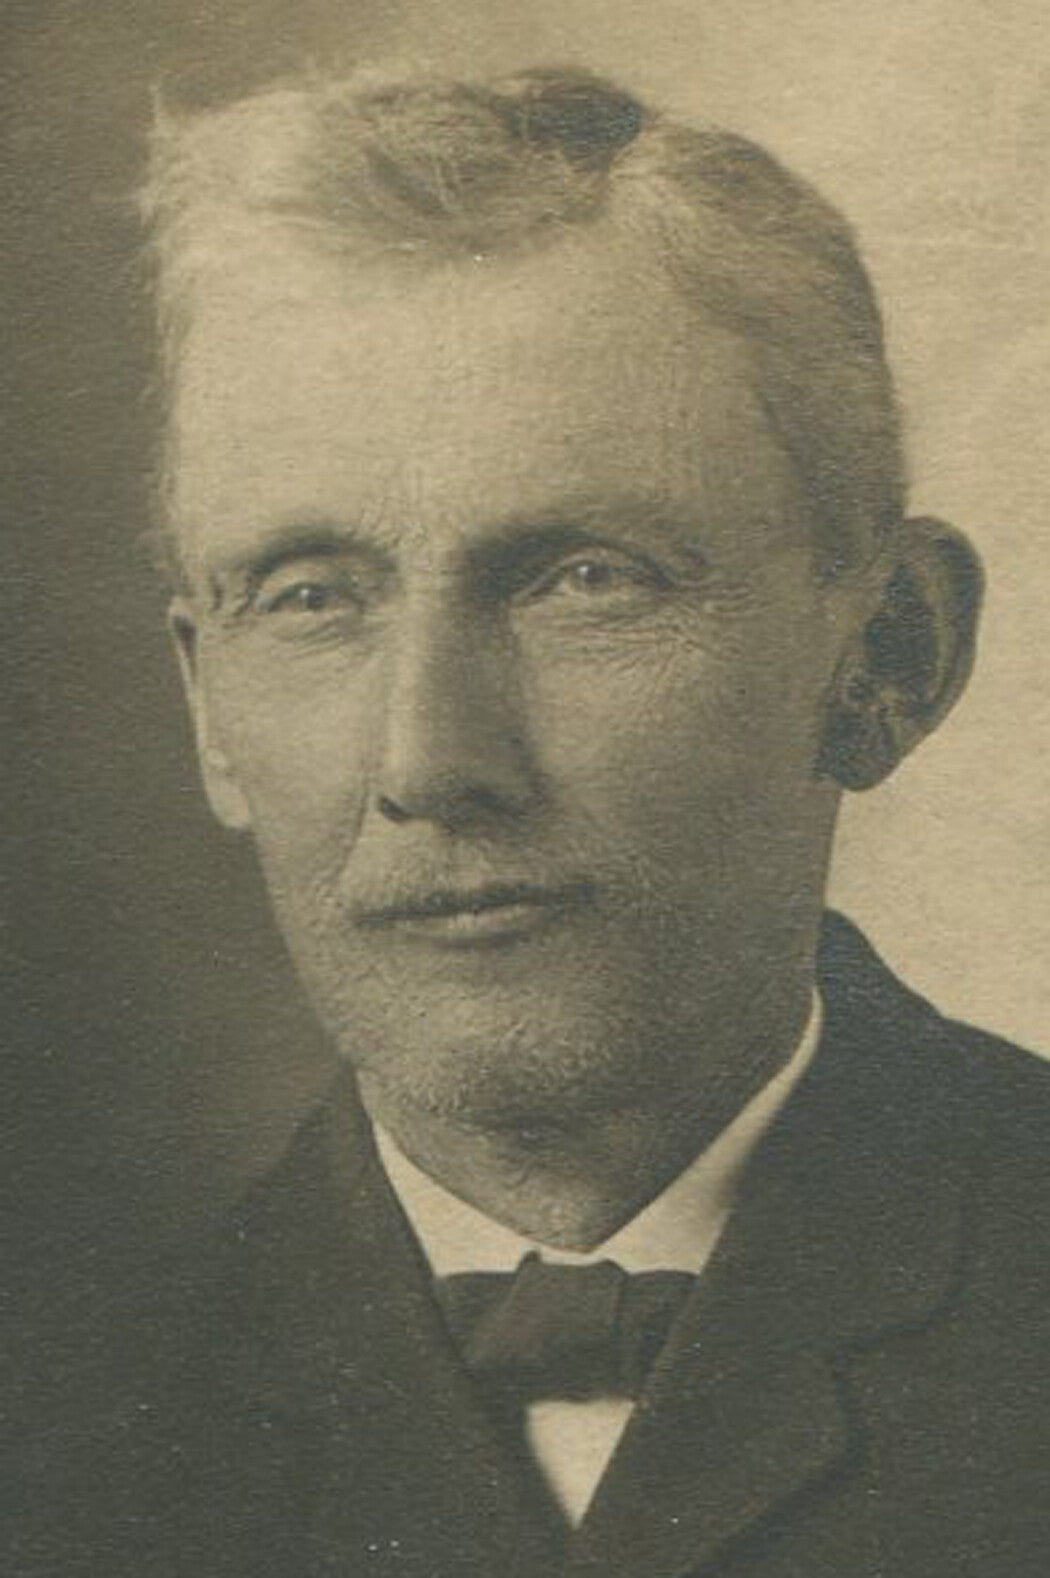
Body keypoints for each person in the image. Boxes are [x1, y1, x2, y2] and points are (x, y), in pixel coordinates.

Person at [8, 64, 1048, 1578]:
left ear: (885, 654)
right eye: (310, 598)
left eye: (584, 578)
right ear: (206, 711)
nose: (430, 758)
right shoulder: (55, 1426)